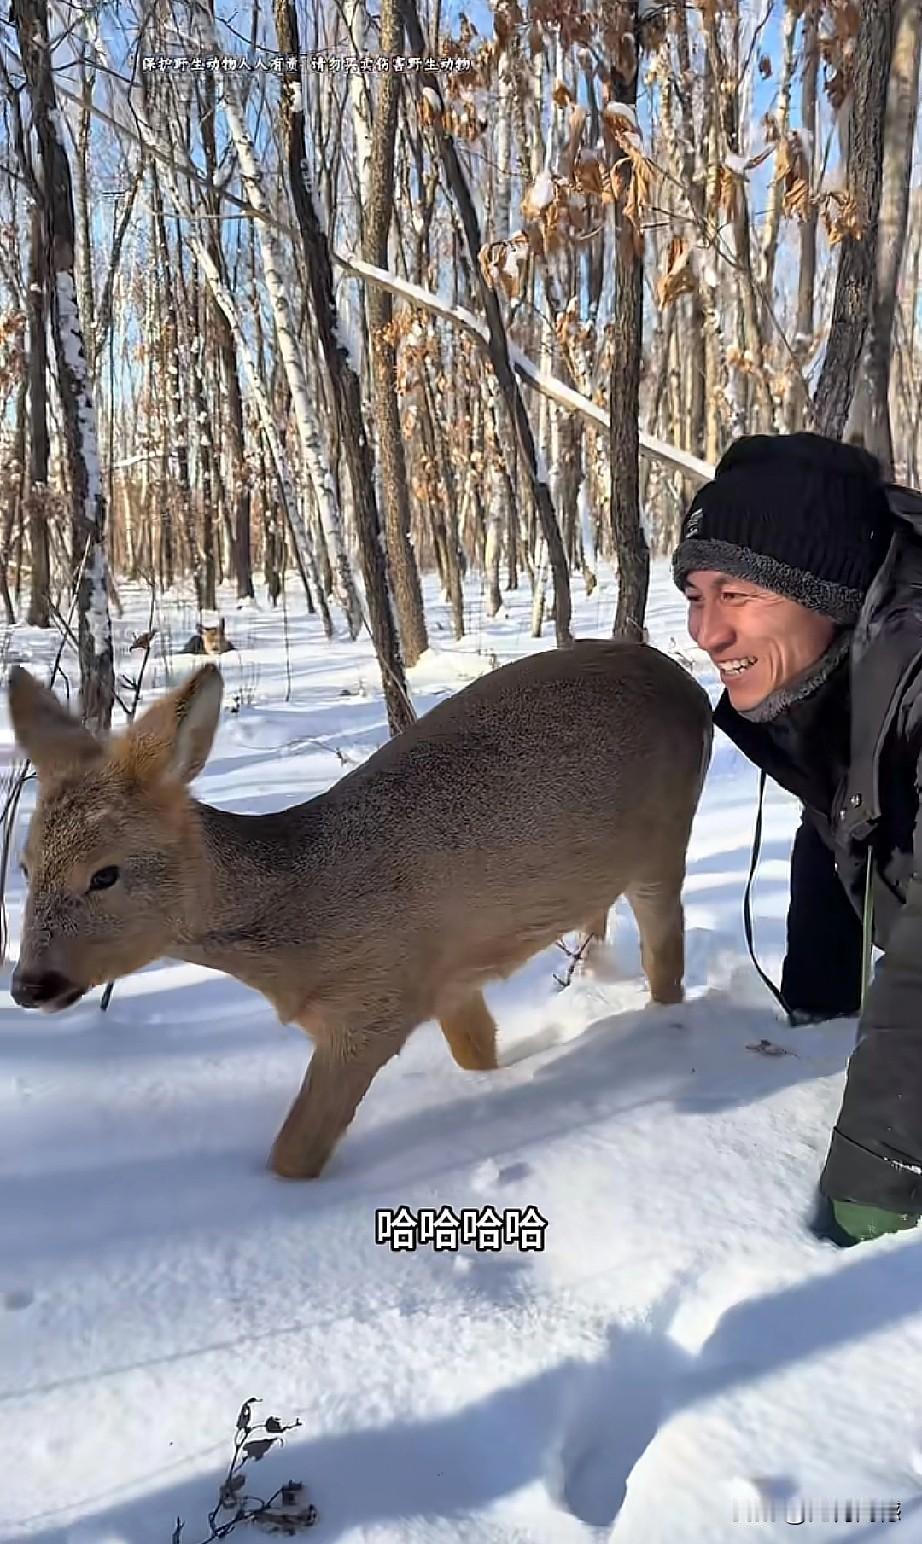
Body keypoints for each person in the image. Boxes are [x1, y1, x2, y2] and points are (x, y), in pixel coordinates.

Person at [671, 431, 922, 1247]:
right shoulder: (844, 677)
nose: (707, 632)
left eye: (737, 594)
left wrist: (870, 1205)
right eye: (696, 596)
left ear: (833, 591)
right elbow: (843, 820)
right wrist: (818, 1005)